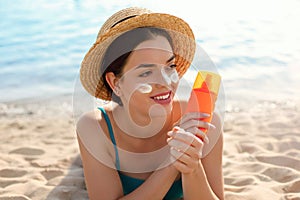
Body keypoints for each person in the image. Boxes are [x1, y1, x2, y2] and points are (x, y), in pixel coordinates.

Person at [77, 7, 224, 200]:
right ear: (115, 82)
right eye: (146, 73)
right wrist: (172, 162)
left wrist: (192, 167)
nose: (166, 83)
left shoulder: (204, 124)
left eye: (170, 66)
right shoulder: (95, 128)